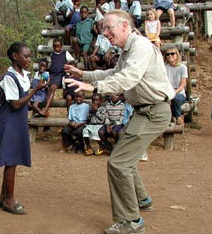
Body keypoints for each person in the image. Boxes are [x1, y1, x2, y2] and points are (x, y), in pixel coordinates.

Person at [64, 10, 175, 234]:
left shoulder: (141, 46)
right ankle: (142, 200)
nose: (104, 33)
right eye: (103, 28)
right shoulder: (128, 50)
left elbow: (128, 78)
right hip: (145, 111)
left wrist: (94, 88)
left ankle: (131, 221)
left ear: (125, 26)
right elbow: (112, 72)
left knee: (118, 163)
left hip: (153, 112)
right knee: (127, 157)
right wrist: (84, 75)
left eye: (108, 28)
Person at [0, 42, 48, 215]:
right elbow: (16, 104)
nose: (28, 59)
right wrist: (35, 91)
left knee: (13, 160)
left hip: (17, 122)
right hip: (10, 121)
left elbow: (25, 101)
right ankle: (9, 200)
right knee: (11, 160)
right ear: (15, 57)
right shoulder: (9, 78)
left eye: (29, 56)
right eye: (25, 56)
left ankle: (4, 196)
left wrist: (38, 107)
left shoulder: (24, 75)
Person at [43, 38, 75, 116]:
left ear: (61, 46)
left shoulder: (65, 53)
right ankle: (46, 111)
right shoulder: (52, 55)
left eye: (58, 47)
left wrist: (67, 64)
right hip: (52, 75)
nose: (56, 48)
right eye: (55, 47)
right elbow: (50, 65)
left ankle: (46, 109)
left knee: (53, 88)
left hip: (60, 75)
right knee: (48, 89)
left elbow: (72, 60)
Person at [164, 47, 188, 125]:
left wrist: (174, 93)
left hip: (179, 93)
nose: (170, 55)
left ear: (177, 55)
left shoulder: (182, 68)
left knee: (176, 98)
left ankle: (178, 117)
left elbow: (183, 84)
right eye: (167, 54)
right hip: (167, 91)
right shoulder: (164, 67)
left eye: (172, 53)